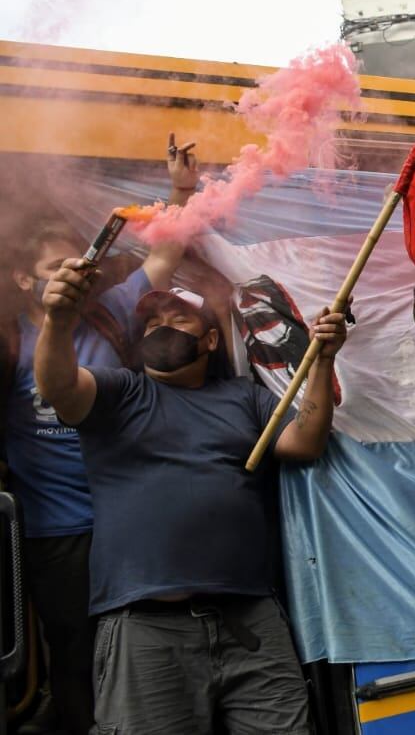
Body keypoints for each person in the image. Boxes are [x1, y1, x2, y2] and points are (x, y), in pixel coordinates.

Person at [34, 266, 347, 734]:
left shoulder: (244, 397)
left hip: (251, 621)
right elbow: (59, 387)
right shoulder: (119, 391)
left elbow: (304, 442)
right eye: (153, 322)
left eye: (178, 320)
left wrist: (322, 360)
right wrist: (58, 321)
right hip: (146, 626)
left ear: (212, 341)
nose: (162, 328)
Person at [0, 135, 196, 735]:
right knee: (75, 654)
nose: (72, 279)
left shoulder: (110, 309)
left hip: (127, 515)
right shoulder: (11, 344)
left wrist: (181, 192)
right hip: (57, 532)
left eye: (78, 267)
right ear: (24, 281)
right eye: (55, 271)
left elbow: (163, 257)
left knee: (146, 646)